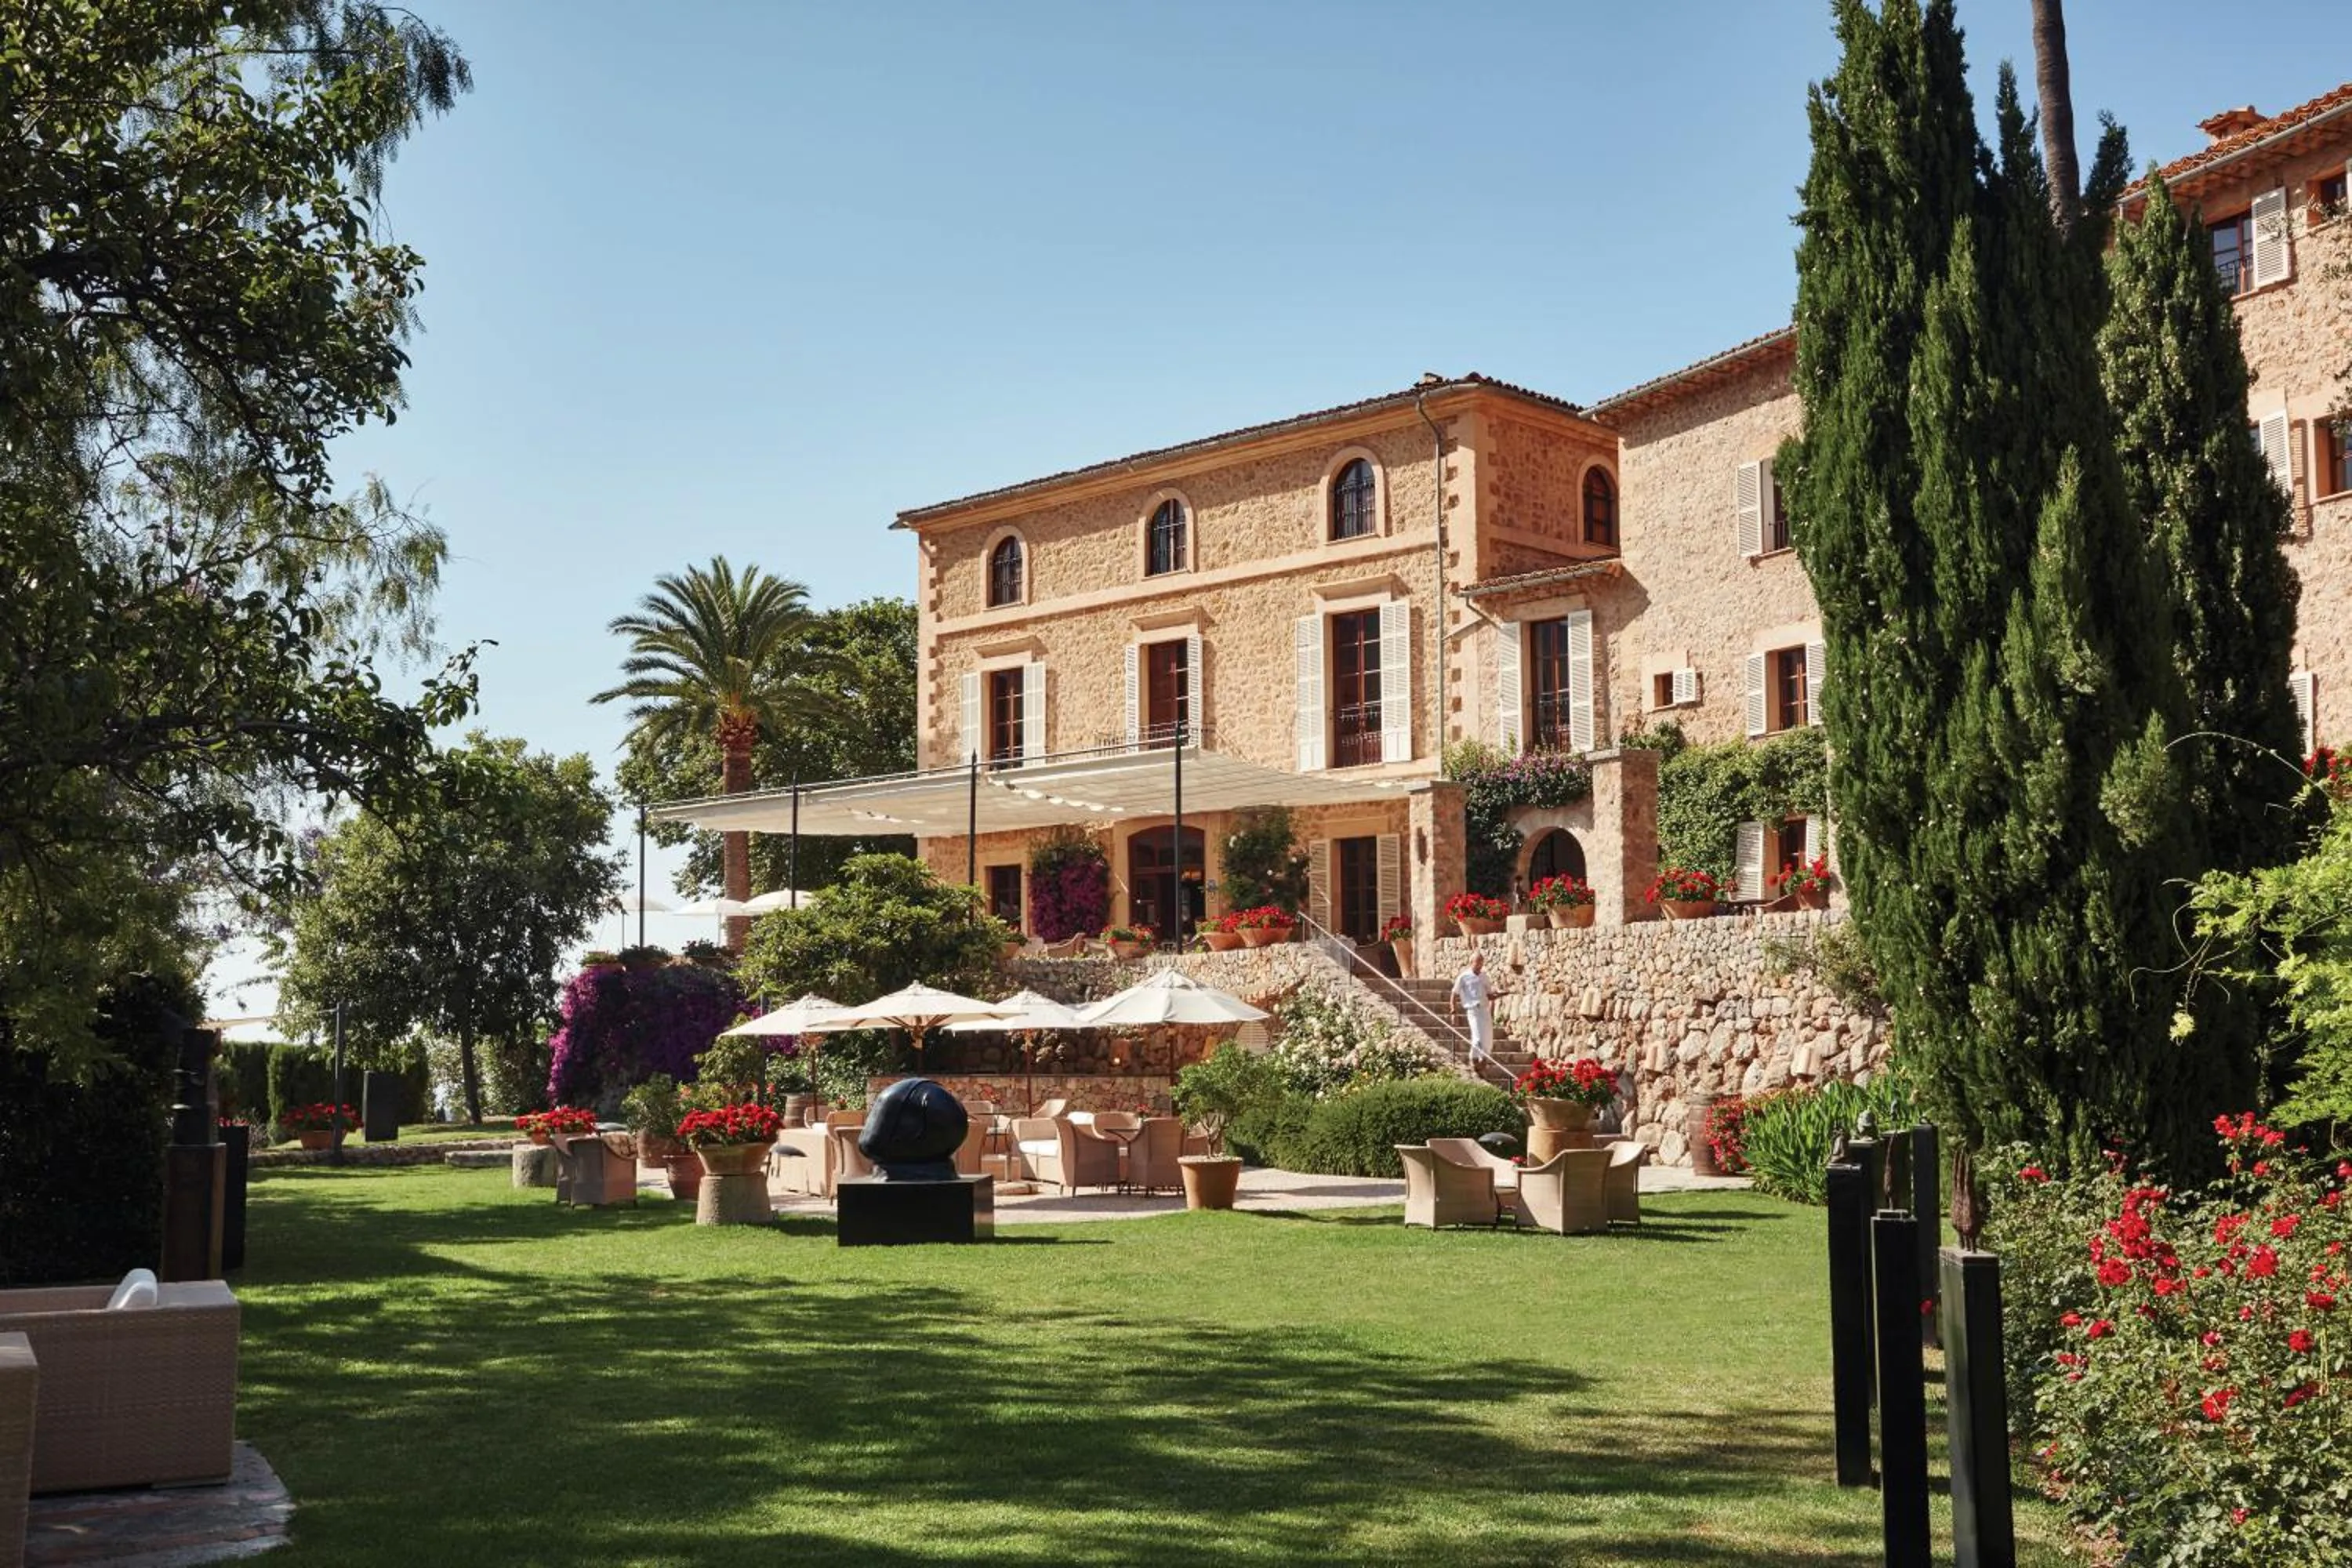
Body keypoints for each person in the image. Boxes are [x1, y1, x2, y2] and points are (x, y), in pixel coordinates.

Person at [1451, 949, 1494, 1061]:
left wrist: (1501, 994)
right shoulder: (1464, 977)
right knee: (1478, 1037)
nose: (1480, 965)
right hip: (1473, 1010)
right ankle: (1474, 1059)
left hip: (1484, 1009)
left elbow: (1490, 995)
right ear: (1471, 962)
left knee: (1488, 1038)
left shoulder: (1484, 977)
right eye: (1477, 962)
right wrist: (1453, 1012)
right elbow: (1454, 994)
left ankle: (1484, 1060)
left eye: (1481, 962)